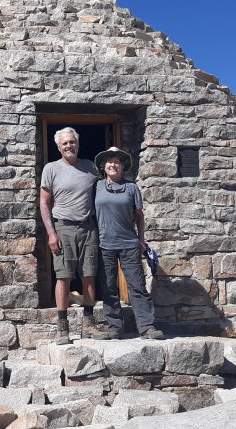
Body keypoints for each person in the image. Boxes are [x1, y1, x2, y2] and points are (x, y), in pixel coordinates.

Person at [40, 127, 110, 344]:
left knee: (89, 275)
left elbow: (108, 187)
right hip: (63, 229)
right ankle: (63, 329)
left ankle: (88, 325)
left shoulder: (90, 167)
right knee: (63, 277)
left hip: (89, 228)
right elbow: (44, 202)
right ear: (59, 147)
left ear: (78, 144)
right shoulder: (51, 169)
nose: (69, 146)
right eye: (65, 143)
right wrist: (51, 233)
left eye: (72, 142)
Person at [94, 146, 164, 340]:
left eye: (117, 161)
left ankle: (146, 327)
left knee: (137, 286)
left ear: (122, 166)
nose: (113, 164)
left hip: (128, 243)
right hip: (104, 243)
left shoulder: (132, 188)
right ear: (103, 166)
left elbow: (139, 216)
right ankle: (114, 327)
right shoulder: (97, 187)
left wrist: (141, 239)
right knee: (108, 287)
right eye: (109, 161)